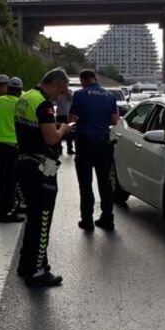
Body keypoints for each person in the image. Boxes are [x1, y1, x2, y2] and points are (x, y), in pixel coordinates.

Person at [14, 67, 74, 288]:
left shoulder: (25, 98)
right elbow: (50, 139)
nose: (62, 94)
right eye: (63, 89)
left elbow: (33, 131)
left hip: (23, 162)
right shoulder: (44, 104)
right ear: (57, 83)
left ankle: (25, 265)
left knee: (33, 218)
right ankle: (38, 271)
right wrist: (63, 129)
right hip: (40, 169)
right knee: (42, 221)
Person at [68, 69, 120, 231]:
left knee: (85, 183)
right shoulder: (109, 96)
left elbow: (71, 119)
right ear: (95, 78)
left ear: (84, 80)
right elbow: (114, 120)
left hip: (84, 143)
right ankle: (107, 218)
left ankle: (87, 220)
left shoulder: (80, 95)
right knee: (104, 182)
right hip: (103, 144)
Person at [0, 77, 24, 223]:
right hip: (13, 145)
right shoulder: (20, 103)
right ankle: (9, 212)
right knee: (11, 180)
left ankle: (1, 208)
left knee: (0, 179)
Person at [55, 87, 74, 155]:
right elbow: (56, 100)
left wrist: (66, 91)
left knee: (69, 133)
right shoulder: (58, 92)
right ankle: (59, 149)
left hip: (67, 114)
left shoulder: (69, 91)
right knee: (59, 132)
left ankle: (70, 149)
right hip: (59, 114)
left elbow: (71, 98)